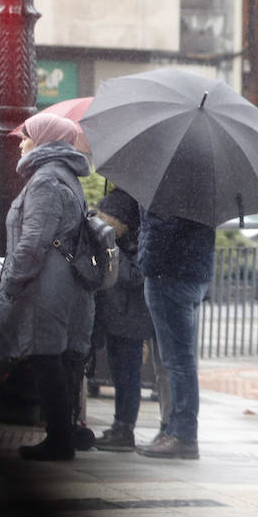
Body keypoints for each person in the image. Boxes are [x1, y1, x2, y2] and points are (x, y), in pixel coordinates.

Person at [0, 114, 96, 461]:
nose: (21, 143)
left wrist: (11, 283)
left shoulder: (46, 180)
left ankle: (59, 440)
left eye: (28, 136)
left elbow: (34, 241)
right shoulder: (65, 177)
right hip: (60, 282)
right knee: (55, 357)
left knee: (45, 355)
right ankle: (63, 432)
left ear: (45, 140)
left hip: (46, 284)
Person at [136, 207, 215, 459]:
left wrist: (144, 262)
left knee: (178, 361)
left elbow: (160, 234)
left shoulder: (169, 193)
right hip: (192, 274)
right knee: (180, 360)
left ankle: (183, 434)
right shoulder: (202, 188)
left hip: (170, 277)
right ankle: (174, 429)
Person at [91, 188, 154, 452]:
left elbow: (133, 277)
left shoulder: (137, 242)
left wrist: (112, 248)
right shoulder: (121, 239)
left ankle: (125, 428)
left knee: (128, 376)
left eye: (108, 219)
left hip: (131, 319)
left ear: (122, 221)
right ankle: (119, 425)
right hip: (114, 316)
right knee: (118, 373)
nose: (103, 223)